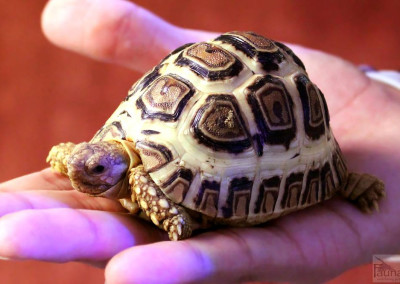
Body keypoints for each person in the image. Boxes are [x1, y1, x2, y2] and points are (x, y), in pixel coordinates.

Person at [1, 0, 399, 282]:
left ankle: (342, 179)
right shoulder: (112, 153)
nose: (83, 175)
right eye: (90, 166)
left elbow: (145, 180)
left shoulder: (138, 178)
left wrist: (172, 217)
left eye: (97, 170)